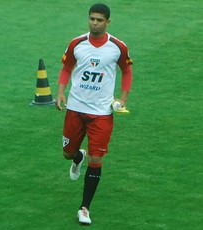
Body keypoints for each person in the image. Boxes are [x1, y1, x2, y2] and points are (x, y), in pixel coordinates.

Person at [55, 3, 133, 225]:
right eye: (92, 19)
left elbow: (126, 70)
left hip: (102, 113)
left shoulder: (117, 47)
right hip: (76, 109)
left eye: (99, 20)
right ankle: (77, 156)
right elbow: (66, 67)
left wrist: (123, 98)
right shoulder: (76, 44)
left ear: (108, 22)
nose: (95, 23)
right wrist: (61, 92)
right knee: (67, 155)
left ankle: (84, 208)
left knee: (96, 158)